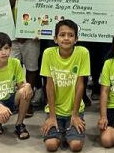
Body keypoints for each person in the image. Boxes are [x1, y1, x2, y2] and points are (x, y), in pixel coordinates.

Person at [41, 20, 91, 152]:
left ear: (76, 39)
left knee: (76, 146)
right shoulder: (48, 53)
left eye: (71, 35)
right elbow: (49, 86)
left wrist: (75, 115)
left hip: (74, 110)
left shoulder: (83, 53)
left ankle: (68, 131)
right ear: (55, 39)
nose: (66, 38)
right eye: (62, 35)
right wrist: (52, 116)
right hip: (55, 111)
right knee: (51, 145)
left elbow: (80, 85)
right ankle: (60, 130)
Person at [9, 0, 47, 115]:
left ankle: (27, 100)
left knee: (31, 68)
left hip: (32, 37)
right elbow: (8, 4)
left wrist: (35, 32)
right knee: (13, 68)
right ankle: (13, 99)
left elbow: (46, 13)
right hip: (14, 35)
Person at [0, 32, 33, 139]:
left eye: (6, 48)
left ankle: (19, 124)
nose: (3, 52)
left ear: (10, 49)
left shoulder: (15, 63)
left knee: (27, 91)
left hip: (11, 98)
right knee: (1, 117)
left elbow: (20, 86)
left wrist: (27, 86)